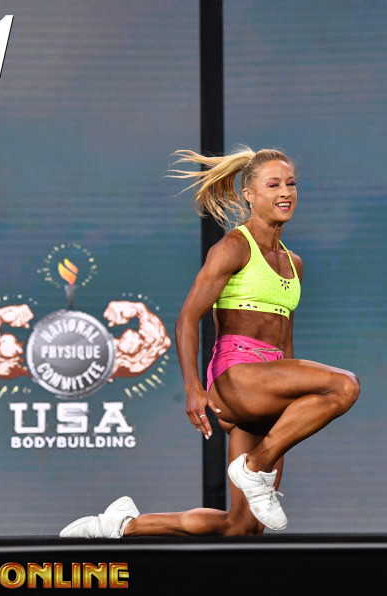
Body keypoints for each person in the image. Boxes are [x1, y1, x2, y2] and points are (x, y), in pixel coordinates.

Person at [60, 147, 360, 537]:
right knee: (344, 385)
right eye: (273, 185)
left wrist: (287, 399)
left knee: (243, 528)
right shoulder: (234, 246)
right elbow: (187, 318)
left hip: (269, 384)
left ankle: (123, 524)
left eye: (291, 184)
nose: (286, 192)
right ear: (249, 194)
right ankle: (255, 467)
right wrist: (193, 389)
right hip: (238, 376)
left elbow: (285, 341)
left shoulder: (294, 263)